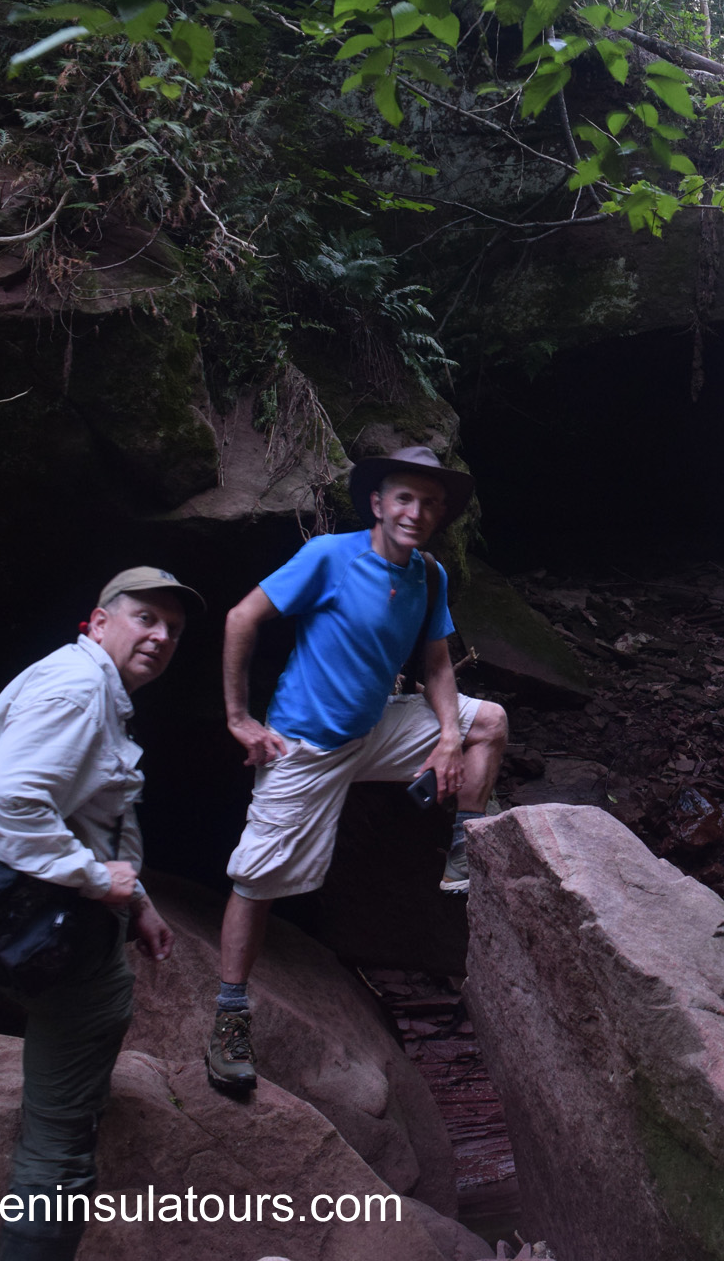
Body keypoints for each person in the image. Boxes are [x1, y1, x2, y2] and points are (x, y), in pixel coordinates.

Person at [208, 445, 508, 1093]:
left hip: (376, 730)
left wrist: (449, 738)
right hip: (305, 748)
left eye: (429, 503)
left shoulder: (428, 575)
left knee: (491, 723)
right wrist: (239, 718)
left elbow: (434, 665)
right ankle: (229, 1015)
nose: (416, 511)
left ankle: (465, 847)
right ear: (377, 503)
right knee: (255, 881)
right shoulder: (329, 558)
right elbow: (241, 619)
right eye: (404, 497)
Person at [0, 567, 200, 1261]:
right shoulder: (78, 689)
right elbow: (4, 800)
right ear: (97, 622)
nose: (159, 636)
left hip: (41, 919)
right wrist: (98, 883)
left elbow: (88, 813)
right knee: (59, 1152)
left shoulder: (86, 681)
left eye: (172, 631)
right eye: (145, 618)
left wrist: (139, 901)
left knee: (57, 1127)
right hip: (57, 930)